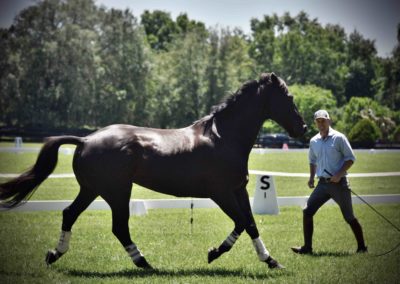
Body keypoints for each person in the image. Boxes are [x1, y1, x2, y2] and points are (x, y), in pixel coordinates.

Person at [291, 109, 367, 254]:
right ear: (315, 123)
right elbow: (312, 161)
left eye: (323, 120)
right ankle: (307, 248)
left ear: (329, 120)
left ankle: (362, 248)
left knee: (349, 217)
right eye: (318, 121)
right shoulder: (314, 141)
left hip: (339, 184)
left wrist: (339, 174)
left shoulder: (339, 138)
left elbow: (350, 158)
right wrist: (312, 177)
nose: (321, 124)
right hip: (322, 184)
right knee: (307, 211)